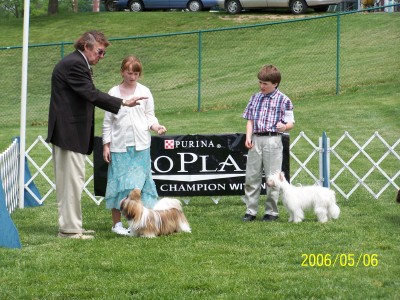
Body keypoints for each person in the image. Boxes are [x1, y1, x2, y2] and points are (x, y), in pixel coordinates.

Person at [46, 31, 147, 240]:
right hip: (68, 133)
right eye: (100, 52)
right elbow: (90, 94)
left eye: (103, 53)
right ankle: (69, 230)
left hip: (71, 133)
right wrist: (121, 102)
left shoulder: (79, 63)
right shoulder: (75, 64)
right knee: (70, 185)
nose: (101, 57)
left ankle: (74, 227)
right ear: (86, 47)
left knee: (74, 182)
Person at [102, 55, 167, 236]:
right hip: (119, 147)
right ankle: (117, 225)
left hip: (141, 147)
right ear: (122, 72)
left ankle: (141, 222)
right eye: (129, 73)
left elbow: (150, 116)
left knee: (140, 186)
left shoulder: (145, 91)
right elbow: (107, 122)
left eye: (136, 73)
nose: (132, 77)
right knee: (119, 186)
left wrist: (156, 127)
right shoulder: (113, 93)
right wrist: (106, 146)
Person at [242, 64, 295, 222]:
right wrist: (248, 137)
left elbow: (291, 122)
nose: (261, 86)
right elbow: (250, 120)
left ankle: (271, 212)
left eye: (265, 83)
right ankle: (250, 211)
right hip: (256, 139)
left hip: (273, 140)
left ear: (275, 84)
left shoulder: (284, 100)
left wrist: (284, 126)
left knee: (273, 178)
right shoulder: (255, 97)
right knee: (252, 177)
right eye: (260, 82)